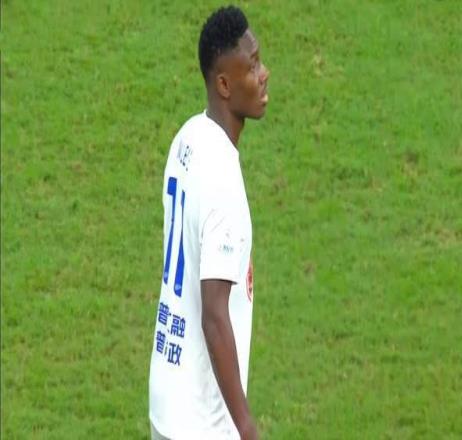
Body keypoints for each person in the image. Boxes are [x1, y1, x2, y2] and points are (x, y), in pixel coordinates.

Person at [148, 5, 269, 440]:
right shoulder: (223, 183)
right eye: (251, 66)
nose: (264, 74)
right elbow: (214, 315)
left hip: (167, 396)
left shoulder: (187, 138)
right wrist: (247, 428)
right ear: (224, 84)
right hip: (202, 423)